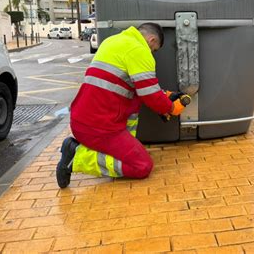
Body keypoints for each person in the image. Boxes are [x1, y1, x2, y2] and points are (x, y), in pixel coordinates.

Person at [56, 23, 187, 188]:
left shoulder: (112, 41)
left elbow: (135, 86)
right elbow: (149, 94)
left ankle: (118, 147)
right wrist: (170, 108)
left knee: (135, 101)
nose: (152, 53)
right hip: (101, 128)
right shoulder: (139, 50)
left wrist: (164, 96)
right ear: (151, 39)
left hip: (82, 119)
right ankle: (75, 157)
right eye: (154, 49)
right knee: (142, 166)